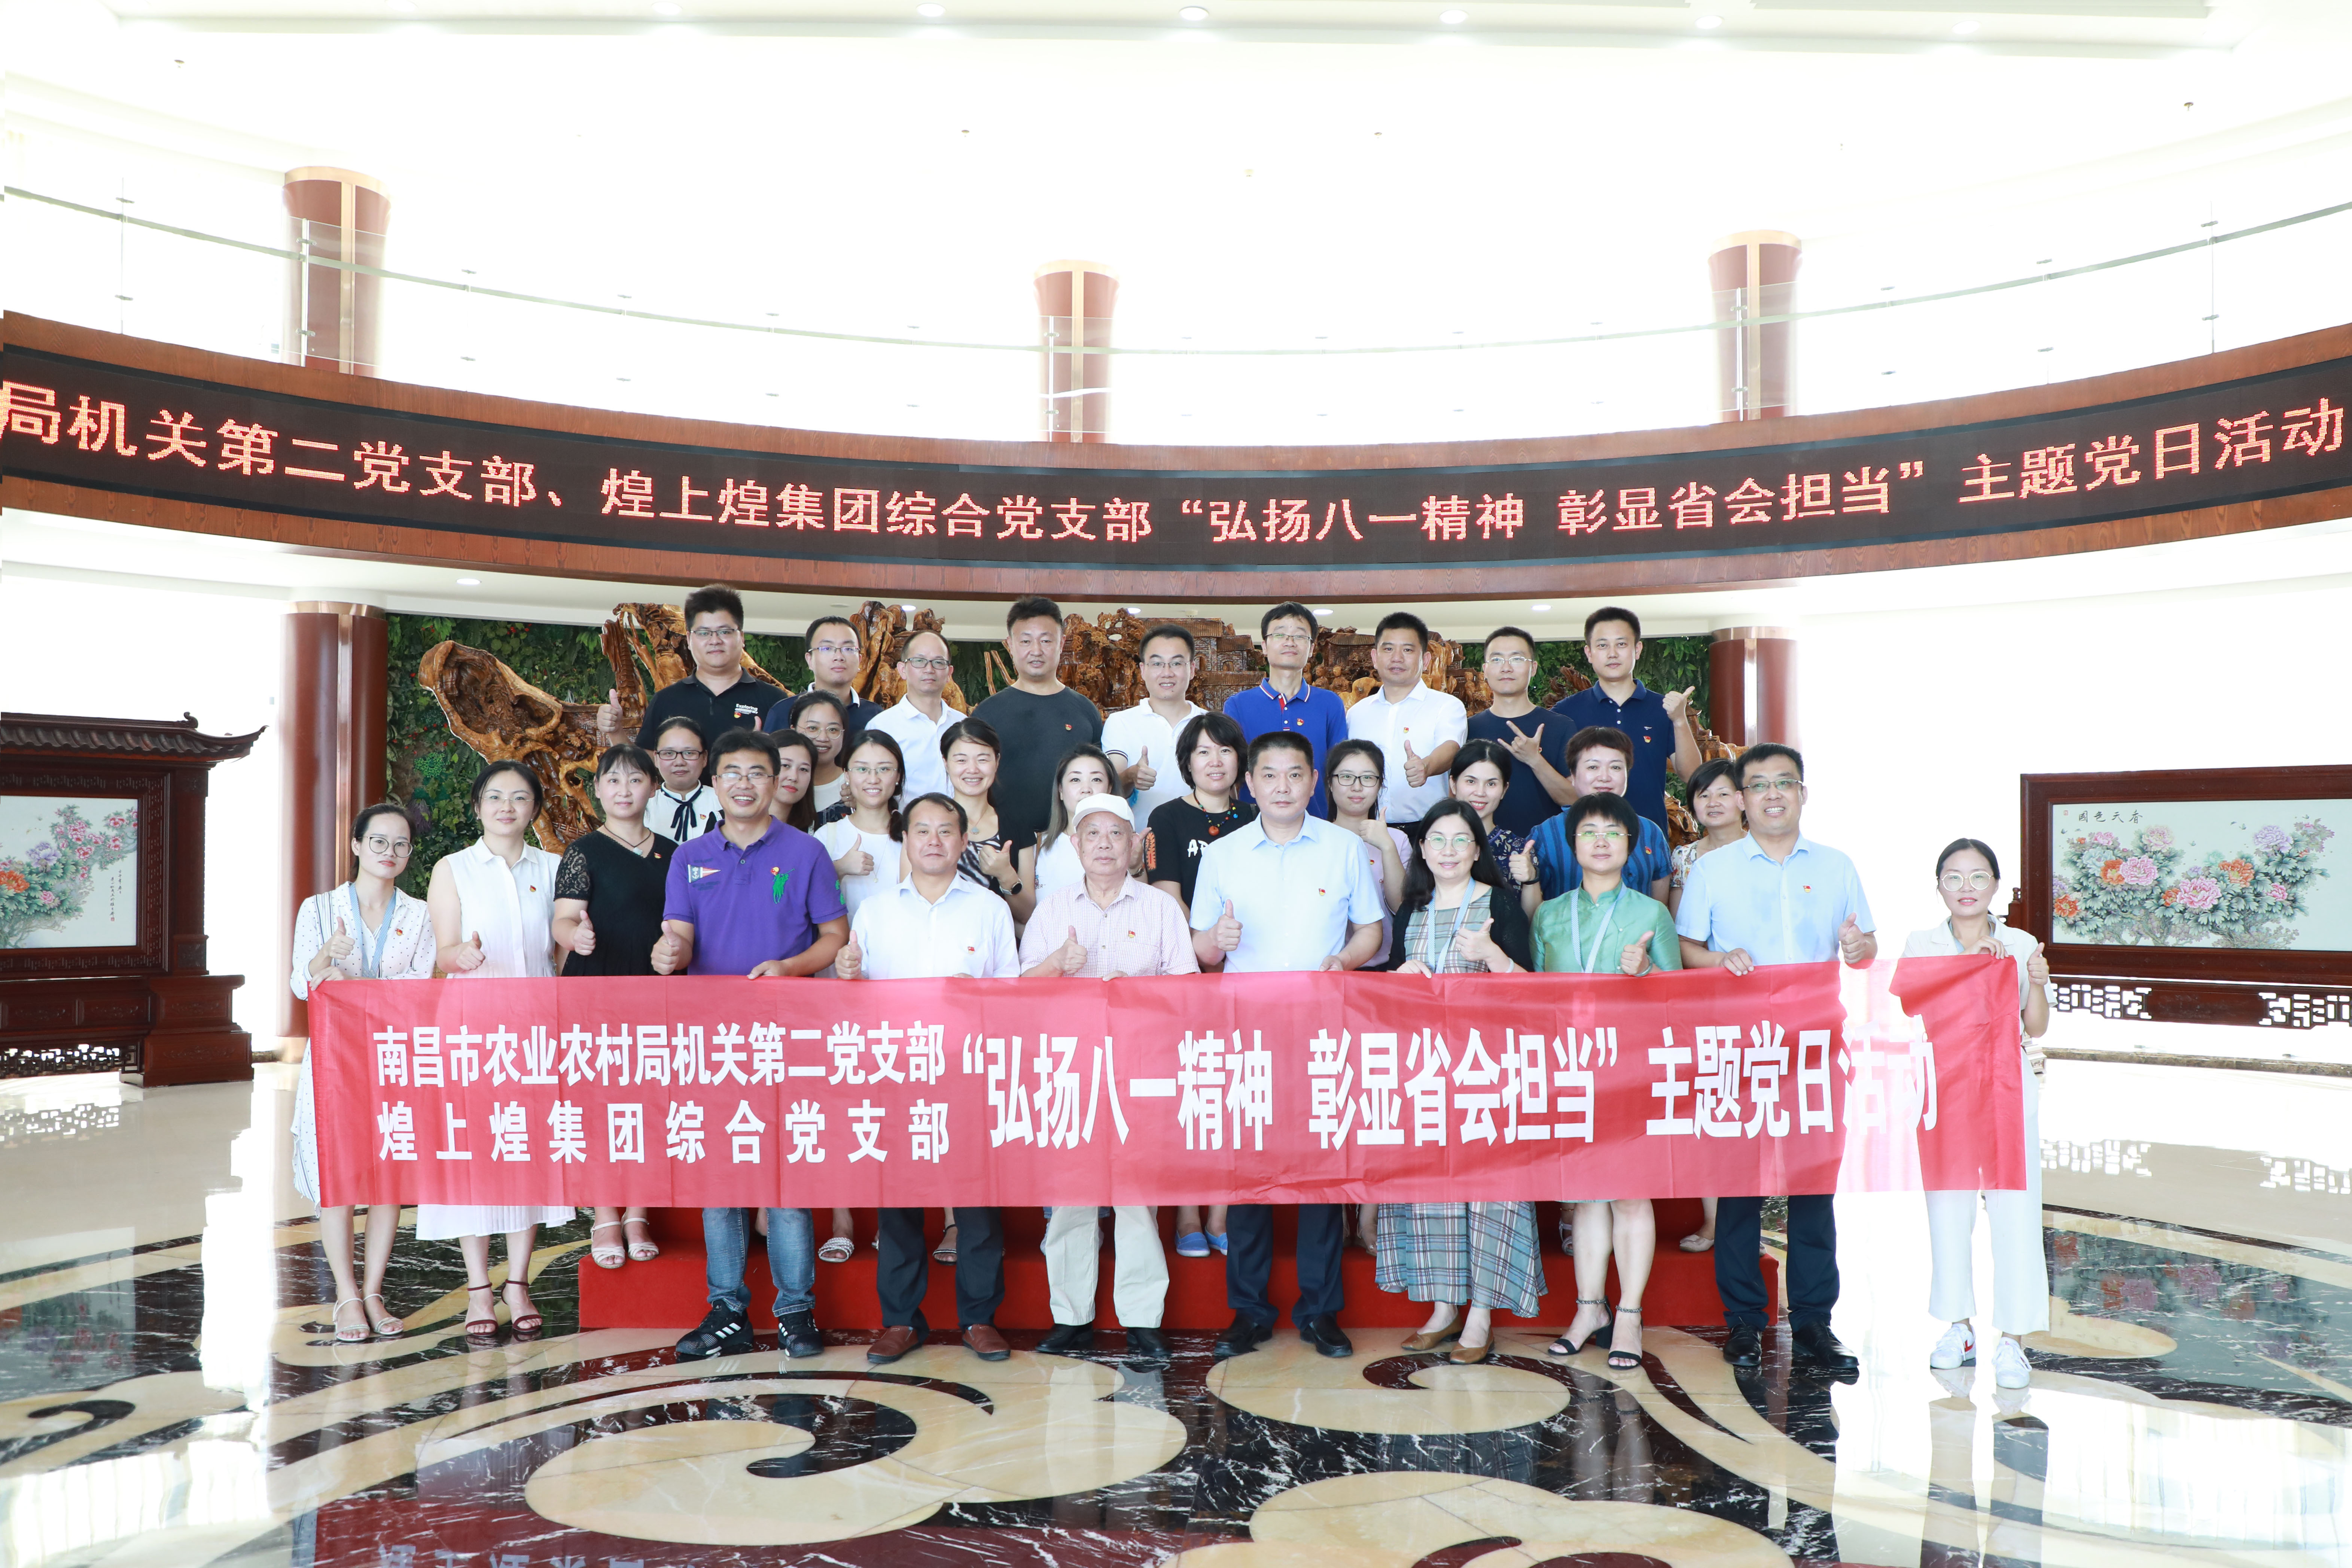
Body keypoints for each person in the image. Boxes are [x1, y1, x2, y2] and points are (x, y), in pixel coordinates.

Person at [1674, 742, 1876, 1377]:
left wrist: (1859, 947)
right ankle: (1743, 1321)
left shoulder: (1837, 866)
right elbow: (1686, 949)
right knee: (1739, 1189)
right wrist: (1719, 959)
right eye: (1758, 784)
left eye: (1783, 782)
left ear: (1802, 793)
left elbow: (1866, 946)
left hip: (1814, 1048)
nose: (1771, 794)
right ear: (1741, 798)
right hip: (1739, 1048)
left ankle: (1813, 1320)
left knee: (1813, 1187)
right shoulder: (1713, 870)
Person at [1190, 732, 1385, 1360]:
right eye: (1269, 775)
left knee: (1320, 1175)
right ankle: (1248, 1311)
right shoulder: (1223, 854)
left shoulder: (1343, 848)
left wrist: (1343, 960)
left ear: (1312, 781)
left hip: (1322, 1031)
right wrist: (1216, 940)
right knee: (1249, 1174)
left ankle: (1320, 1311)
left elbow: (1372, 929)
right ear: (1249, 783)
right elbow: (1200, 948)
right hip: (1246, 1034)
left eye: (1294, 774)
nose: (1281, 786)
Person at [656, 729, 849, 1364]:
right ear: (714, 782)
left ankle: (795, 1309)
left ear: (777, 782)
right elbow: (680, 935)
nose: (745, 783)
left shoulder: (805, 852)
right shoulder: (689, 857)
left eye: (758, 772)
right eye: (732, 772)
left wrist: (790, 969)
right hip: (712, 1043)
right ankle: (727, 1310)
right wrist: (670, 953)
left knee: (785, 1178)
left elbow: (834, 935)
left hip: (787, 1038)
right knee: (722, 1180)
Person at [836, 794, 1023, 1365]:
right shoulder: (876, 911)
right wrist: (847, 975)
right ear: (907, 840)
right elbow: (855, 1002)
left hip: (968, 1071)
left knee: (977, 1202)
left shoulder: (989, 909)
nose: (934, 841)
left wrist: (979, 999)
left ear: (964, 842)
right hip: (895, 1071)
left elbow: (1011, 994)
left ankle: (979, 1318)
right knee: (899, 1202)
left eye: (946, 831)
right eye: (922, 830)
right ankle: (900, 1321)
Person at [1017, 794, 1196, 1364]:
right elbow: (1017, 994)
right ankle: (1070, 1317)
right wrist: (1056, 965)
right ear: (1074, 845)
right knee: (1071, 1199)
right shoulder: (1051, 910)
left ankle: (1142, 1319)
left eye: (1115, 834)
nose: (1103, 844)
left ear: (1134, 844)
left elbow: (1189, 993)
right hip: (1069, 1071)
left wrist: (1138, 992)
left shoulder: (1160, 909)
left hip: (1139, 1071)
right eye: (1091, 834)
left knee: (1137, 1200)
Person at [1369, 799, 1538, 1364]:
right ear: (1421, 849)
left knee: (1488, 1195)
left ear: (1476, 849)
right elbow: (1392, 992)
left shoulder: (1499, 903)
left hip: (1485, 1072)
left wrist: (1493, 956)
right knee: (1431, 1193)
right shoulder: (1411, 908)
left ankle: (1481, 1315)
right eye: (1437, 840)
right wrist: (1399, 975)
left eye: (1460, 840)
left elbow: (1533, 994)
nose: (1448, 850)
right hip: (1424, 1073)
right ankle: (1443, 1308)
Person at [1528, 792, 1682, 1373]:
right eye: (1589, 832)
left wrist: (1648, 973)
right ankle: (1589, 1308)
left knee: (1631, 1193)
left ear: (1632, 846)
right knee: (1587, 1193)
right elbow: (1537, 997)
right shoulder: (1549, 914)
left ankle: (1630, 1316)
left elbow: (1680, 999)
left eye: (1613, 832)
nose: (1600, 841)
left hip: (1632, 1069)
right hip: (1570, 1067)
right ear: (1573, 846)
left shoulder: (1651, 914)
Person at [423, 760, 572, 1339]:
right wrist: (460, 956)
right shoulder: (453, 868)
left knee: (528, 1151)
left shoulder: (555, 868)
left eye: (519, 797)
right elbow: (443, 951)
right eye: (494, 797)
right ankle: (479, 1288)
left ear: (534, 807)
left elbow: (560, 954)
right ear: (478, 806)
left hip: (537, 1032)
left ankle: (518, 1283)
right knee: (476, 1155)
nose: (506, 807)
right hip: (473, 1030)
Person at [1904, 838, 2051, 1391]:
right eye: (1954, 877)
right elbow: (1914, 1005)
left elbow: (2035, 1026)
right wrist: (1970, 966)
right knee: (1948, 1208)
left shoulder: (2020, 942)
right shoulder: (1921, 943)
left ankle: (2013, 1339)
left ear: (1995, 884)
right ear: (1938, 885)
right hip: (1944, 1087)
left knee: (2015, 1210)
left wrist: (2036, 982)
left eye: (1977, 877)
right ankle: (1957, 1328)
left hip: (2007, 1087)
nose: (1965, 888)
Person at [289, 802, 434, 1342]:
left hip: (393, 1059)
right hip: (335, 1060)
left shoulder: (419, 913)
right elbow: (302, 984)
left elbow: (421, 987)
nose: (389, 852)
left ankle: (374, 1291)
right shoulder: (319, 909)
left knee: (387, 1176)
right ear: (356, 845)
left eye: (400, 844)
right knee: (338, 1178)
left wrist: (352, 987)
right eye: (378, 842)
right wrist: (323, 958)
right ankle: (347, 1295)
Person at [550, 743, 674, 1272]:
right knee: (600, 1105)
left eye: (636, 780)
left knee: (651, 1103)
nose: (625, 790)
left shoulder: (674, 853)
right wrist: (573, 936)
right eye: (614, 780)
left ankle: (638, 1213)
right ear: (598, 789)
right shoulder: (583, 852)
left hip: (657, 993)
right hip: (596, 991)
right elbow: (563, 919)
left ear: (654, 787)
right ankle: (604, 1214)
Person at [1142, 710, 1255, 1258]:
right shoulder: (1165, 818)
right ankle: (1187, 1212)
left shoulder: (1257, 816)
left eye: (1225, 750)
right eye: (1203, 751)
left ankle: (1221, 1213)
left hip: (1248, 978)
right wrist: (1205, 947)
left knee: (1238, 1096)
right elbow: (1167, 899)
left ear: (1241, 762)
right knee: (1193, 1093)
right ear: (1187, 762)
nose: (1215, 761)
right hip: (1186, 975)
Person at [810, 728, 908, 1265]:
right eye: (863, 768)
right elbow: (789, 898)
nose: (873, 778)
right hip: (839, 988)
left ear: (898, 777)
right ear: (846, 775)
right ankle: (843, 1217)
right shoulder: (826, 837)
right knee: (843, 1105)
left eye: (884, 768)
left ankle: (896, 1219)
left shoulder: (913, 832)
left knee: (896, 1106)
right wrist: (837, 869)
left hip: (900, 989)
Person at [1664, 755, 1747, 1257]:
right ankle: (1715, 1221)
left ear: (1743, 799)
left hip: (1760, 998)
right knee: (1710, 1112)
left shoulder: (1765, 849)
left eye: (1722, 792)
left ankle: (1753, 1223)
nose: (1712, 802)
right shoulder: (1684, 858)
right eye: (1702, 794)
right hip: (1704, 999)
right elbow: (1680, 936)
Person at [1549, 606, 1702, 837]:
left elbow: (1692, 776)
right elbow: (1558, 784)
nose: (1612, 654)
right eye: (1603, 646)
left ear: (1637, 649)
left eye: (1621, 644)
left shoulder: (1664, 709)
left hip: (1648, 836)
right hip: (1586, 840)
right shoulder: (1565, 712)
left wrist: (1680, 720)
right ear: (1589, 653)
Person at [969, 597, 1103, 846]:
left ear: (1061, 643)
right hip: (1003, 845)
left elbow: (1100, 779)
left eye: (1046, 640)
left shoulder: (1085, 710)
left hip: (1074, 845)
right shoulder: (987, 713)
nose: (1036, 650)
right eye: (1026, 641)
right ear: (1010, 645)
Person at [600, 583, 787, 753]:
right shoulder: (666, 700)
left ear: (742, 637)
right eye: (704, 633)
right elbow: (646, 764)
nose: (715, 641)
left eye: (725, 632)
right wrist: (616, 732)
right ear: (689, 639)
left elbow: (788, 762)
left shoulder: (773, 700)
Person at [1517, 727, 1675, 917]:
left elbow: (1659, 910)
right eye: (1593, 767)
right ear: (1573, 775)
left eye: (1616, 767)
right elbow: (1533, 912)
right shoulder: (1546, 834)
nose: (1605, 777)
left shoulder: (1650, 832)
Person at [1222, 603, 1349, 820]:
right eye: (1280, 634)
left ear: (1311, 648)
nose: (1290, 642)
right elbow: (1230, 773)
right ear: (1264, 646)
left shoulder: (1331, 703)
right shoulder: (1237, 705)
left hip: (1318, 823)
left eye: (1300, 636)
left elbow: (1340, 771)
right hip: (1251, 825)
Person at [1345, 611, 1467, 825]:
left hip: (1426, 830)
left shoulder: (1447, 706)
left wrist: (1426, 767)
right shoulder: (1356, 712)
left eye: (1408, 650)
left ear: (1426, 660)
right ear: (1375, 658)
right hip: (1366, 829)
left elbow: (1451, 747)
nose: (1397, 658)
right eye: (1388, 649)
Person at [1465, 625, 1575, 837]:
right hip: (1481, 848)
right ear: (1485, 670)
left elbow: (1574, 799)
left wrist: (1535, 760)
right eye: (1497, 660)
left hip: (1546, 847)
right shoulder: (1468, 729)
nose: (1506, 668)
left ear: (1533, 668)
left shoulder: (1561, 726)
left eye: (1517, 659)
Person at [1100, 622, 1205, 827]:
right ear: (1143, 670)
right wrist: (1132, 776)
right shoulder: (1121, 722)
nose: (1167, 673)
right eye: (1157, 664)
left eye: (1177, 663)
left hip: (1203, 838)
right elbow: (1111, 786)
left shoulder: (1210, 724)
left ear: (1192, 669)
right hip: (1140, 840)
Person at [1014, 744, 1118, 908]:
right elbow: (1024, 916)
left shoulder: (1126, 845)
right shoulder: (1035, 846)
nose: (1086, 789)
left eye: (1096, 780)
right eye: (1075, 780)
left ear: (1109, 789)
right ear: (1061, 791)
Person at [867, 627, 963, 803]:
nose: (929, 669)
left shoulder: (962, 724)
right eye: (919, 661)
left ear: (949, 673)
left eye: (938, 662)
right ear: (902, 670)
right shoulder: (882, 727)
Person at [940, 716, 1021, 915]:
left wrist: (1006, 875)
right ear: (946, 763)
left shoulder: (1017, 824)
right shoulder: (925, 824)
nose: (973, 769)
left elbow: (1026, 914)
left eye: (983, 759)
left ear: (997, 761)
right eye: (961, 760)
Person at [765, 613, 883, 745]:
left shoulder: (876, 716)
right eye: (827, 648)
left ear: (860, 660)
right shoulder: (783, 712)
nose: (839, 657)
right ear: (810, 660)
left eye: (848, 649)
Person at [1447, 739, 1528, 894]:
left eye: (1491, 784)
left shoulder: (1519, 850)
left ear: (1504, 789)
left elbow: (1532, 910)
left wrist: (1531, 880)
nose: (1480, 792)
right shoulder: (1436, 843)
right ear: (1453, 784)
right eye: (1471, 781)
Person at [648, 715, 721, 843]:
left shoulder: (722, 800)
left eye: (689, 753)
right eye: (669, 753)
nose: (679, 762)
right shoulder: (644, 805)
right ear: (656, 758)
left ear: (705, 758)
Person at [786, 689, 851, 819]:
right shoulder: (776, 783)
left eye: (833, 730)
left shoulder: (856, 785)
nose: (823, 738)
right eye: (813, 728)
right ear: (793, 730)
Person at [766, 728, 820, 833]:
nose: (794, 777)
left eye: (803, 769)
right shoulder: (735, 823)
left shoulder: (817, 833)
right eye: (785, 765)